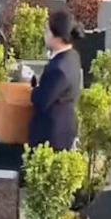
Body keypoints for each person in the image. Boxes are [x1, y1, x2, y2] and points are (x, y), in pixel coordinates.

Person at [29, 10, 83, 151]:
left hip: (52, 137)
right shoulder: (72, 56)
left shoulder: (58, 69)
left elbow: (41, 100)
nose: (45, 34)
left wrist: (32, 88)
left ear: (57, 37)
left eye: (47, 31)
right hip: (65, 128)